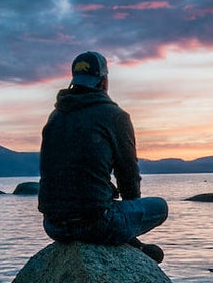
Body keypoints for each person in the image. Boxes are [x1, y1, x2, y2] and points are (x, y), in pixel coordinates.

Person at [38, 51, 168, 263]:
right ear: (104, 81)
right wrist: (128, 212)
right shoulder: (114, 116)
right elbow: (128, 175)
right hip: (96, 224)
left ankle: (132, 243)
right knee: (160, 207)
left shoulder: (55, 117)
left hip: (53, 226)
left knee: (105, 204)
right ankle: (131, 243)